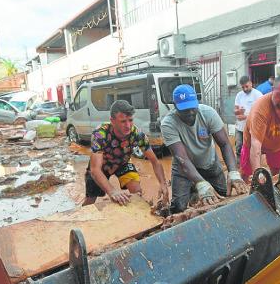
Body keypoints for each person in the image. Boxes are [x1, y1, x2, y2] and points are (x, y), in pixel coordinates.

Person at [161, 84, 248, 213]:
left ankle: (195, 196)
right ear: (175, 106)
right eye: (185, 110)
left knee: (223, 198)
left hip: (209, 164)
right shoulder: (168, 123)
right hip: (183, 169)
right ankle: (193, 194)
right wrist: (201, 183)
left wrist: (233, 173)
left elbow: (224, 144)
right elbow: (182, 157)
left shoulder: (208, 113)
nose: (190, 112)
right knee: (179, 208)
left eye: (192, 107)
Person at [85, 100, 169, 206]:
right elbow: (95, 169)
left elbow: (155, 162)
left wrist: (163, 183)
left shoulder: (137, 135)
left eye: (130, 120)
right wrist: (112, 191)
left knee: (137, 192)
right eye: (123, 121)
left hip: (122, 163)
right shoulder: (100, 134)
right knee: (90, 201)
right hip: (102, 167)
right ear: (112, 121)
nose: (128, 126)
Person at [234, 76, 263, 159]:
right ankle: (240, 163)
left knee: (253, 147)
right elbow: (235, 110)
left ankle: (254, 165)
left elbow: (261, 113)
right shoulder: (239, 95)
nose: (245, 89)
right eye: (243, 87)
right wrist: (238, 113)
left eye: (246, 86)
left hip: (253, 127)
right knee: (239, 145)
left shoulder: (258, 95)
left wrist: (246, 116)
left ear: (251, 83)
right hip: (240, 126)